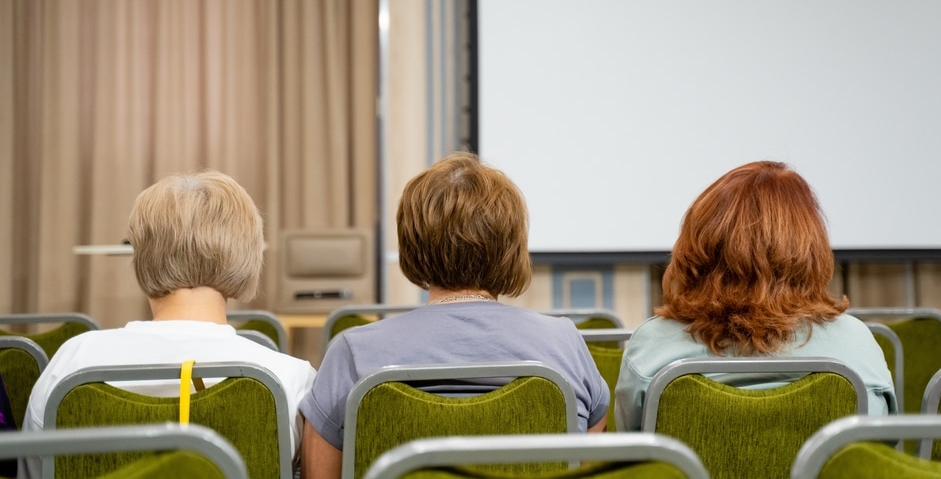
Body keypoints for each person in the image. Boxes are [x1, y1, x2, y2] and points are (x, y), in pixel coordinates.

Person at [299, 151, 609, 479]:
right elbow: (588, 460)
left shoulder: (353, 352)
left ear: (412, 242)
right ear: (513, 246)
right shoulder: (563, 343)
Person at [21, 170, 316, 477]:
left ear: (141, 254)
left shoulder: (74, 360)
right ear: (247, 256)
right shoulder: (290, 378)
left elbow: (36, 470)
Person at [615, 160, 897, 431]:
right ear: (811, 249)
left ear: (698, 242)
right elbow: (877, 453)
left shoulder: (652, 347)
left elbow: (635, 454)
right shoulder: (856, 347)